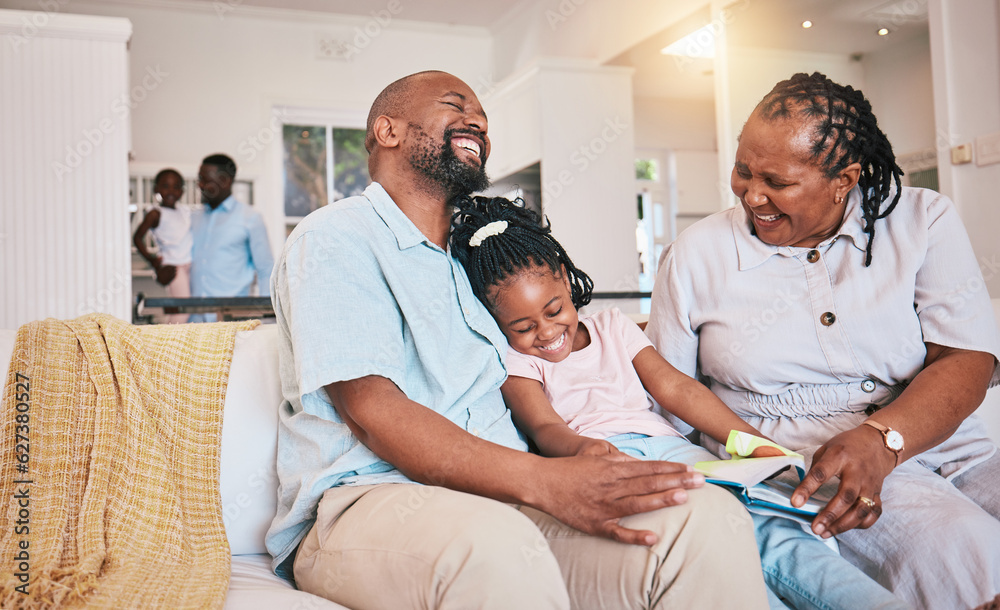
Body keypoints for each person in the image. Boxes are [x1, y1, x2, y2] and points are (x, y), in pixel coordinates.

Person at [266, 70, 771, 609]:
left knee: (703, 517)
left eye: (482, 115)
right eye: (454, 104)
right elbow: (373, 412)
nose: (477, 121)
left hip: (506, 500)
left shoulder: (478, 261)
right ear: (386, 130)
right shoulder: (336, 238)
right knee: (493, 545)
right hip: (368, 502)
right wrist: (546, 480)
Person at [449, 194, 909, 610]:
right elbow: (542, 426)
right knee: (724, 554)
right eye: (524, 327)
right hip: (610, 463)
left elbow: (677, 389)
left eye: (554, 311)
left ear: (567, 284)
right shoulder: (514, 361)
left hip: (677, 453)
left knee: (783, 537)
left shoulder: (612, 326)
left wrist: (750, 441)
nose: (547, 333)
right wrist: (578, 450)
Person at [645, 71, 1000, 610]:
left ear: (845, 179)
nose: (752, 194)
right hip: (807, 456)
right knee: (965, 552)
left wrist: (884, 438)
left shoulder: (922, 220)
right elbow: (667, 396)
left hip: (945, 437)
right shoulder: (695, 255)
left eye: (777, 181)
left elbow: (965, 357)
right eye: (743, 171)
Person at [189, 153, 274, 322]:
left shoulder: (250, 218)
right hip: (194, 321)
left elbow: (266, 269)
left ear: (225, 181)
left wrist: (266, 319)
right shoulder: (193, 217)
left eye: (205, 180)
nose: (200, 185)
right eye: (199, 179)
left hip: (233, 321)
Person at [132, 168, 192, 323]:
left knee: (193, 308)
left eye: (176, 187)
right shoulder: (155, 213)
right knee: (182, 312)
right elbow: (137, 237)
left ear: (182, 191)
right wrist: (153, 261)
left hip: (191, 264)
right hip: (173, 267)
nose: (171, 191)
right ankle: (171, 345)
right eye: (166, 186)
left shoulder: (184, 211)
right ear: (156, 189)